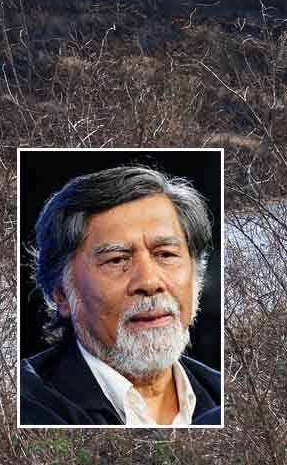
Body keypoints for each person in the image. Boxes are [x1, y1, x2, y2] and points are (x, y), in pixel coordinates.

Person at [20, 166, 221, 426]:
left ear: (197, 276)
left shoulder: (226, 394)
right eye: (117, 260)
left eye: (166, 254)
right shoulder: (25, 405)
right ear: (62, 295)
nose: (149, 282)